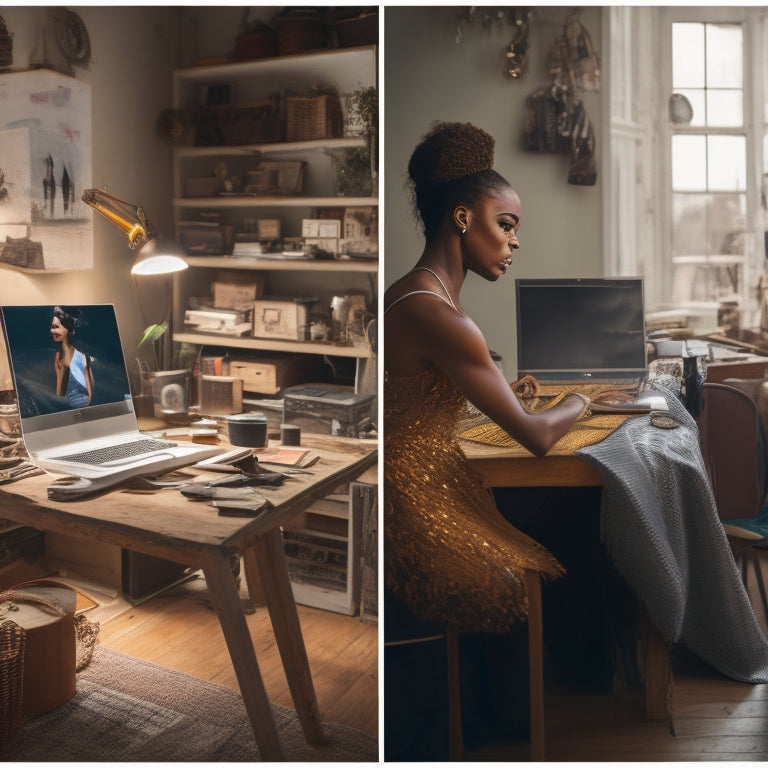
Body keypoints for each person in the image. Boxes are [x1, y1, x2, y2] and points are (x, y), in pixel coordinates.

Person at [384, 121, 592, 634]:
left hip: (422, 478)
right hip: (417, 499)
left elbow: (415, 403)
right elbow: (537, 437)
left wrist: (500, 392)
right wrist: (583, 399)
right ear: (462, 217)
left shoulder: (415, 293)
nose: (514, 241)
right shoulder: (442, 316)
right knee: (554, 547)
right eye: (506, 224)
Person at [51, 305, 92, 408]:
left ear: (67, 330)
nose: (52, 331)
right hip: (67, 406)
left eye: (56, 327)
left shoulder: (82, 356)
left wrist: (87, 405)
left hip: (83, 406)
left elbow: (87, 385)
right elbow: (59, 389)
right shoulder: (58, 356)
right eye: (52, 327)